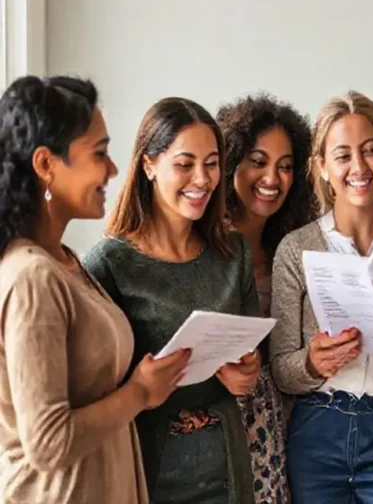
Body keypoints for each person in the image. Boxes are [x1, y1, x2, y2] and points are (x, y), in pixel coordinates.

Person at [0, 76, 189, 503]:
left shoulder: (65, 262)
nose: (113, 169)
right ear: (46, 164)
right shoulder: (32, 277)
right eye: (99, 153)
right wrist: (139, 392)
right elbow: (48, 443)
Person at [83, 97, 261, 504]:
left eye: (212, 163)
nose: (202, 178)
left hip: (227, 470)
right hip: (149, 472)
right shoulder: (109, 264)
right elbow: (92, 388)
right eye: (185, 164)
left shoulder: (234, 253)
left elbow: (251, 353)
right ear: (149, 165)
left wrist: (246, 372)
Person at [270, 91, 373, 503]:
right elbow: (281, 369)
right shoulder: (296, 249)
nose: (358, 167)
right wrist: (312, 362)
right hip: (318, 430)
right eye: (343, 155)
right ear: (322, 166)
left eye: (369, 150)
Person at [217, 93, 315, 503]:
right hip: (222, 434)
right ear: (230, 162)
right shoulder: (205, 248)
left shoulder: (296, 250)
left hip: (289, 433)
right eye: (258, 161)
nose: (272, 178)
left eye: (286, 166)